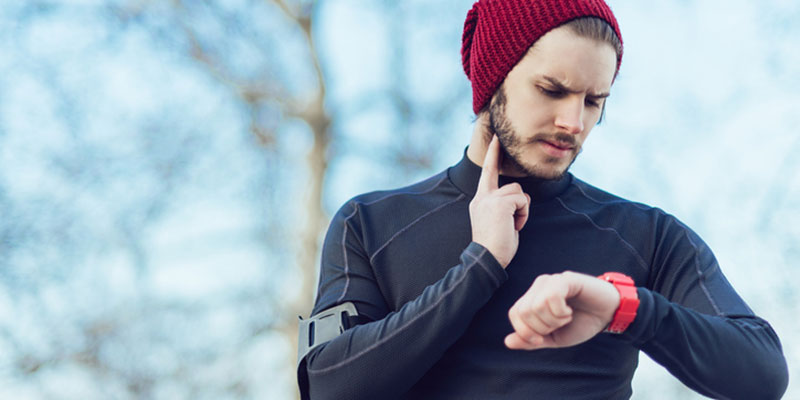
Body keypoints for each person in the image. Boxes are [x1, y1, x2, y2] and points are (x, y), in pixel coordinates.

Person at [296, 0, 789, 399]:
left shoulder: (645, 235)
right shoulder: (370, 223)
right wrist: (478, 267)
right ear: (493, 81)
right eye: (551, 90)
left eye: (593, 101)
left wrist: (625, 308)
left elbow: (763, 373)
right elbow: (326, 384)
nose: (574, 123)